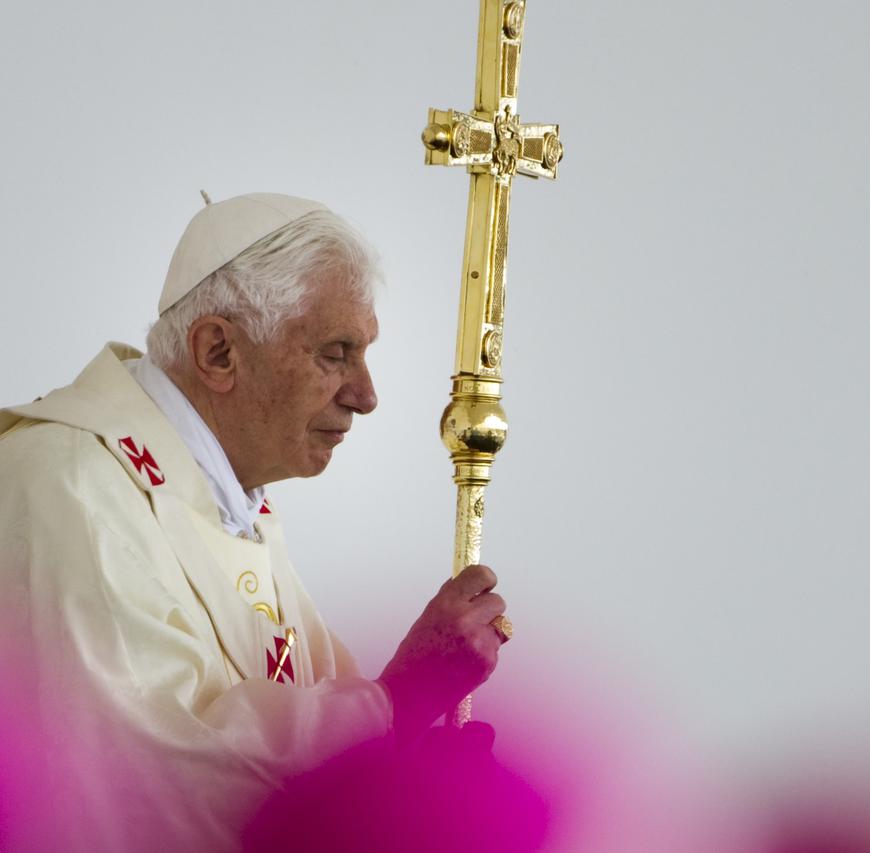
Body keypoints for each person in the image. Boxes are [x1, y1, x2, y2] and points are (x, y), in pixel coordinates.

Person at [0, 193, 511, 850]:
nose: (366, 394)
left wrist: (415, 779)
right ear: (218, 352)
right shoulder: (65, 484)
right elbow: (149, 784)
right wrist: (399, 702)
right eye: (336, 352)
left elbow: (326, 736)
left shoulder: (235, 506)